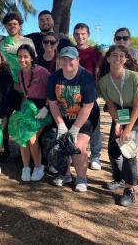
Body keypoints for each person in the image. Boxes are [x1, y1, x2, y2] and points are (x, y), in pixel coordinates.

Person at [48, 46, 99, 192]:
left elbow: (88, 106)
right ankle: (65, 174)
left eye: (71, 59)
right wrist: (61, 124)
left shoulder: (86, 77)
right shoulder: (54, 77)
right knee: (59, 142)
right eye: (63, 59)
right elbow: (52, 103)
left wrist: (76, 128)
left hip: (85, 117)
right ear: (59, 61)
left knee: (77, 146)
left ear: (77, 60)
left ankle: (81, 178)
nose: (67, 62)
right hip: (64, 116)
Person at [98, 45, 138, 207]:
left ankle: (129, 190)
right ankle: (120, 179)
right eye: (114, 55)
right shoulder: (104, 81)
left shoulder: (136, 77)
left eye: (121, 56)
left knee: (128, 146)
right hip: (121, 112)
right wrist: (117, 122)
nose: (118, 58)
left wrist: (128, 129)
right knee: (113, 150)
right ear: (108, 58)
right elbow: (110, 105)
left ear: (126, 59)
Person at [0, 12, 36, 161]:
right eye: (9, 24)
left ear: (20, 25)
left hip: (25, 84)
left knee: (25, 116)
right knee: (5, 116)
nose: (12, 26)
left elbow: (34, 59)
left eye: (14, 24)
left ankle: (23, 152)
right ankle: (6, 149)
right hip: (8, 84)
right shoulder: (2, 43)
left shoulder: (27, 41)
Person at [16, 44, 51, 182]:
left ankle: (38, 166)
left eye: (25, 56)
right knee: (22, 136)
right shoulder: (20, 73)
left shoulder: (42, 71)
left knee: (31, 138)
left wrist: (46, 108)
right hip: (28, 109)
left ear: (31, 58)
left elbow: (53, 90)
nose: (22, 59)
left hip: (42, 110)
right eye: (19, 56)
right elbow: (26, 94)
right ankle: (26, 167)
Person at [73, 23, 103, 171]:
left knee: (94, 124)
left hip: (90, 94)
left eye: (83, 33)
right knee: (77, 124)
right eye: (77, 34)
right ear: (73, 35)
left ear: (88, 35)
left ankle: (96, 156)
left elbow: (99, 73)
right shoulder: (70, 51)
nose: (80, 36)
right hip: (72, 95)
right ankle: (76, 152)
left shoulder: (95, 53)